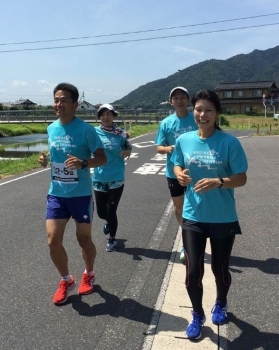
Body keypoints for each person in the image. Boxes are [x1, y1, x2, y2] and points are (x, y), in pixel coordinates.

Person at [171, 90, 248, 340]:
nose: (202, 115)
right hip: (193, 215)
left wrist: (219, 181)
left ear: (217, 114)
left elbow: (241, 178)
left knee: (220, 267)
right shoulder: (184, 139)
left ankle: (221, 302)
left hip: (222, 217)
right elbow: (177, 162)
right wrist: (180, 172)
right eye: (199, 109)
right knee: (193, 271)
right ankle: (196, 313)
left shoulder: (229, 143)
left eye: (208, 110)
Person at [39, 83, 106, 305]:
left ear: (75, 104)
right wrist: (45, 161)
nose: (58, 104)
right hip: (57, 193)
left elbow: (102, 158)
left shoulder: (87, 130)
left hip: (80, 195)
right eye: (56, 99)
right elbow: (53, 155)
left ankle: (89, 273)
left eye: (64, 100)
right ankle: (66, 279)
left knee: (83, 239)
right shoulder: (51, 128)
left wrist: (83, 162)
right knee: (52, 241)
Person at [155, 87, 198, 261]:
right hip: (174, 172)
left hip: (196, 171)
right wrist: (168, 148)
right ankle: (186, 237)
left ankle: (194, 239)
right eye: (176, 98)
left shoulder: (196, 119)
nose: (179, 100)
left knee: (195, 206)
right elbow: (159, 148)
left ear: (188, 100)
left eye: (182, 97)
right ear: (171, 101)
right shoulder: (166, 123)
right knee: (179, 207)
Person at [92, 104, 132, 252]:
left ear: (113, 116)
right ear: (99, 117)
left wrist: (127, 151)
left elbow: (128, 147)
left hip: (116, 177)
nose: (105, 117)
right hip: (99, 177)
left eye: (109, 114)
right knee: (101, 212)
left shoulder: (121, 134)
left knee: (111, 210)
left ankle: (112, 239)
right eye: (102, 114)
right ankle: (108, 222)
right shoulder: (93, 132)